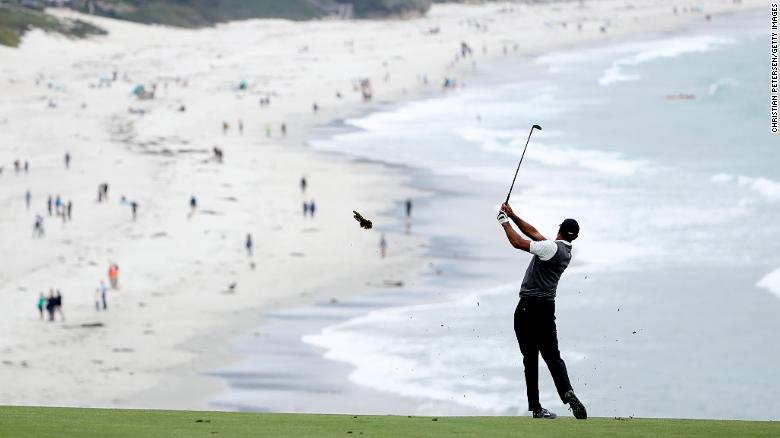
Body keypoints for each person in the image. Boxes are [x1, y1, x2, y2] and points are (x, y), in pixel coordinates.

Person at [496, 203, 587, 420]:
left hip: (528, 308)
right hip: (547, 309)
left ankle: (536, 408)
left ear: (559, 230)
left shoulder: (549, 248)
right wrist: (513, 215)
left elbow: (518, 242)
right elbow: (534, 233)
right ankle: (567, 392)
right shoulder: (564, 252)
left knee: (530, 358)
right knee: (553, 356)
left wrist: (503, 222)